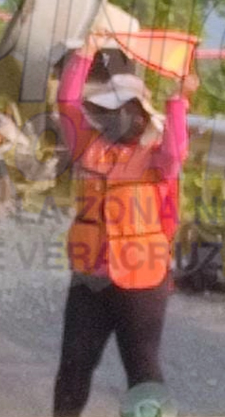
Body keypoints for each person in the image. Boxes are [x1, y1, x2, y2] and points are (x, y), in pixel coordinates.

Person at [52, 31, 196, 416]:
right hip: (91, 278)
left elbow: (177, 148)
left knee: (144, 375)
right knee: (74, 368)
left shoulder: (156, 156)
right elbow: (66, 101)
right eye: (109, 110)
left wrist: (180, 99)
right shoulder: (87, 147)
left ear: (141, 114)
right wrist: (84, 54)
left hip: (142, 282)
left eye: (126, 110)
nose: (116, 118)